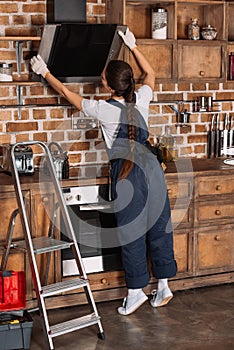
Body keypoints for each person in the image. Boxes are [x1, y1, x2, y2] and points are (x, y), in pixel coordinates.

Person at [30, 28, 177, 316]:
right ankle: (163, 286)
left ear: (110, 87)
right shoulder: (142, 98)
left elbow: (65, 92)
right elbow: (150, 74)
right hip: (154, 170)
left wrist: (44, 71)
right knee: (160, 229)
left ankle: (135, 294)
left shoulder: (102, 109)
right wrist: (133, 48)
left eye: (103, 76)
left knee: (132, 233)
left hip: (128, 175)